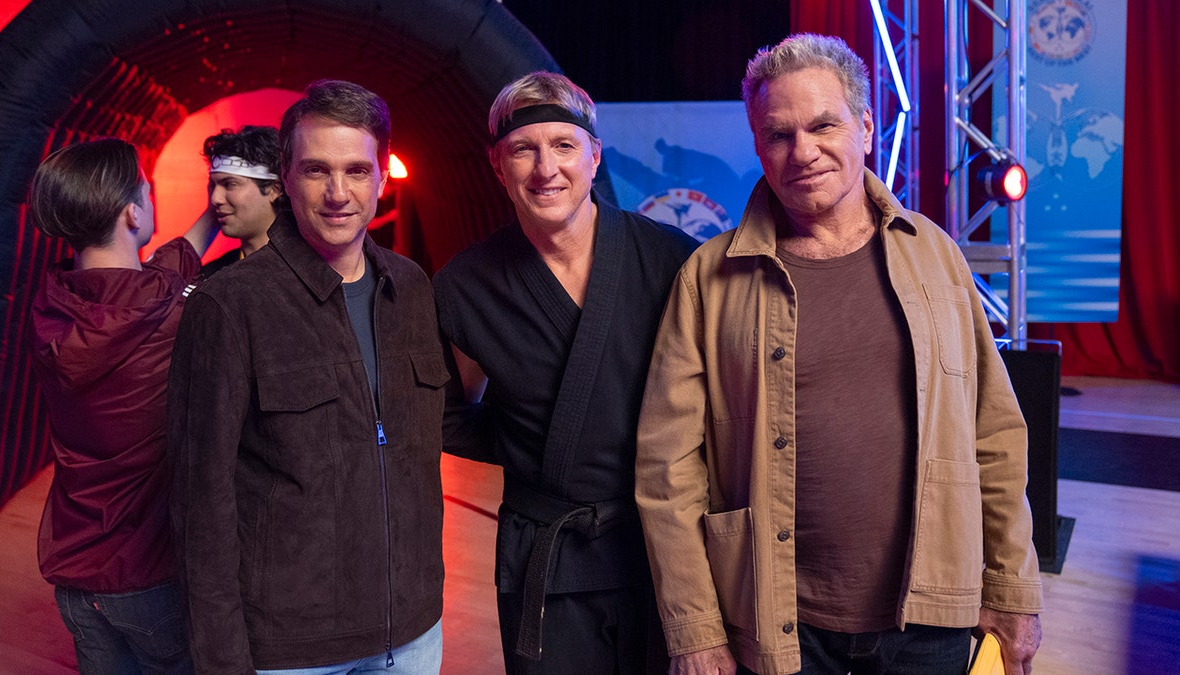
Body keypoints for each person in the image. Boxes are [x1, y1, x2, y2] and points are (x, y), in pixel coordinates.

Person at [635, 34, 1044, 675]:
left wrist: (1012, 589)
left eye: (823, 125)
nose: (803, 153)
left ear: (867, 127)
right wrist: (695, 632)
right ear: (758, 146)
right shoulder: (707, 280)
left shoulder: (935, 255)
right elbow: (667, 472)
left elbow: (994, 433)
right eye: (778, 135)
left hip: (931, 619)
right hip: (778, 626)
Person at [168, 79, 448, 674]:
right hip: (290, 646)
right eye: (317, 170)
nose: (339, 193)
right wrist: (221, 657)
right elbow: (201, 498)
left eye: (356, 170)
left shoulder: (412, 288)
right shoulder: (229, 304)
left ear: (381, 177)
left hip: (414, 630)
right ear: (286, 179)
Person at [433, 71, 698, 674]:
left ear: (594, 156)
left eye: (563, 146)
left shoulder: (672, 259)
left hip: (663, 548)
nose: (545, 168)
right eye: (523, 149)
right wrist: (530, 447)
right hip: (546, 558)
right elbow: (451, 415)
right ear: (496, 166)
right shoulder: (465, 287)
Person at [28, 137, 218, 674]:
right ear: (134, 212)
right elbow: (168, 288)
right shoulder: (171, 316)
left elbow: (165, 273)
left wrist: (211, 215)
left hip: (76, 578)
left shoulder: (53, 306)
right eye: (146, 188)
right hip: (147, 578)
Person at [198, 125, 284, 277]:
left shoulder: (314, 270)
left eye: (229, 184)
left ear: (275, 190)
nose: (215, 199)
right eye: (213, 185)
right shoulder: (210, 277)